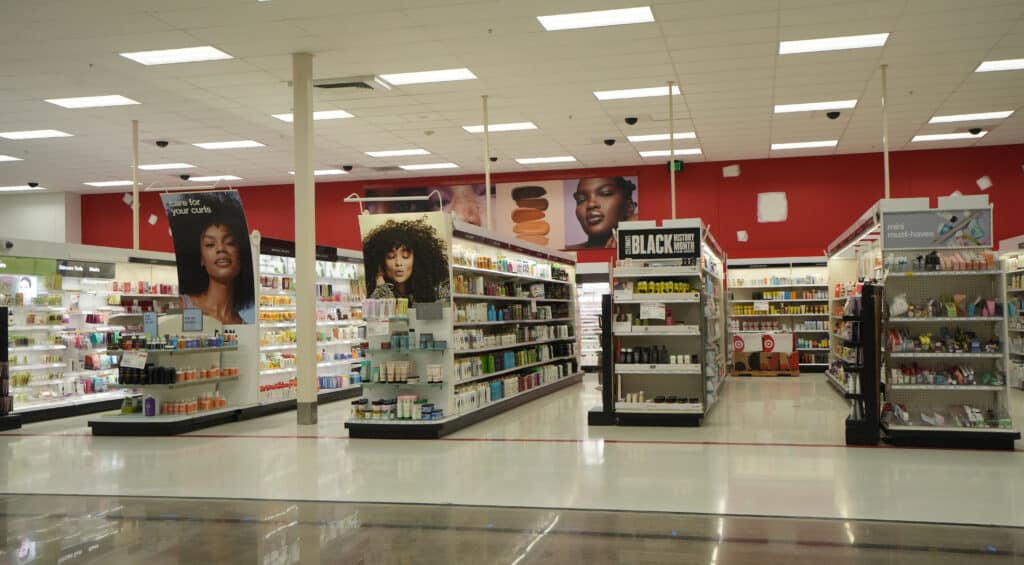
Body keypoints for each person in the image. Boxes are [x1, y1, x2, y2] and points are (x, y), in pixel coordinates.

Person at [173, 193, 255, 325]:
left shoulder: (243, 325)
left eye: (229, 242)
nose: (221, 248)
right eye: (210, 244)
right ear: (200, 258)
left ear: (241, 255)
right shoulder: (182, 306)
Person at [363, 217, 450, 304]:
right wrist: (380, 284)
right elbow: (384, 315)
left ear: (417, 259)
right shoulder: (372, 290)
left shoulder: (435, 289)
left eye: (405, 256)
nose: (398, 263)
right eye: (391, 256)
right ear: (381, 261)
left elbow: (439, 314)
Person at [567, 177, 638, 249]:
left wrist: (636, 220)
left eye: (605, 193)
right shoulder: (565, 255)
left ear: (629, 207)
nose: (591, 204)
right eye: (581, 199)